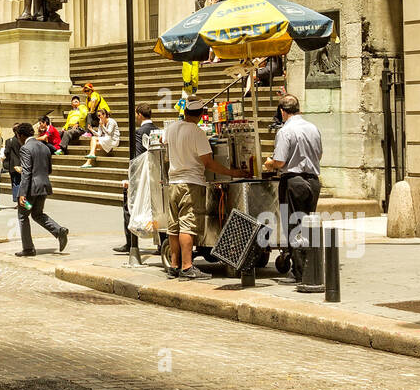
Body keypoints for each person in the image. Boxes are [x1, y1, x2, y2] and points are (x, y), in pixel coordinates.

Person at [164, 101, 245, 280]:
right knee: (187, 225)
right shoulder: (197, 133)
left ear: (185, 112)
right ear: (200, 115)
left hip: (173, 183)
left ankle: (174, 265)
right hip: (191, 183)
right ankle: (187, 267)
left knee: (173, 226)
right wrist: (232, 172)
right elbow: (208, 162)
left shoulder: (170, 128)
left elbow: (165, 146)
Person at [262, 94, 324, 282]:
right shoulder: (313, 128)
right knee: (307, 224)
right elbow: (319, 155)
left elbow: (280, 161)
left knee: (294, 225)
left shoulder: (285, 131)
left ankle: (299, 272)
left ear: (282, 111)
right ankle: (308, 266)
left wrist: (269, 163)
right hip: (313, 181)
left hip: (293, 181)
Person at [14, 122, 69, 257]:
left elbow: (27, 173)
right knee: (37, 214)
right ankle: (59, 230)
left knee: (23, 216)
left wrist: (22, 193)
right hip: (44, 186)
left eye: (17, 136)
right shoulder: (44, 147)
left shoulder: (25, 148)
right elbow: (49, 169)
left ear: (21, 135)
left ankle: (28, 248)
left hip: (31, 189)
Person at [115, 105, 158, 254]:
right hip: (156, 175)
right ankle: (160, 243)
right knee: (158, 209)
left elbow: (138, 158)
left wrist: (130, 179)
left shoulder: (139, 133)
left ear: (139, 115)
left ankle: (131, 243)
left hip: (142, 176)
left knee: (129, 208)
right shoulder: (157, 130)